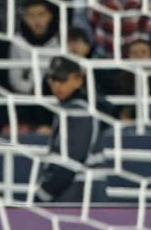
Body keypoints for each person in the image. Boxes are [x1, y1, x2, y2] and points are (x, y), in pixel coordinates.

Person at [36, 56, 106, 203]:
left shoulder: (79, 111)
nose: (56, 85)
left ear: (78, 80)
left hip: (80, 196)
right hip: (76, 194)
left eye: (62, 79)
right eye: (52, 79)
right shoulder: (70, 108)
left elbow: (70, 161)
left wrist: (44, 194)